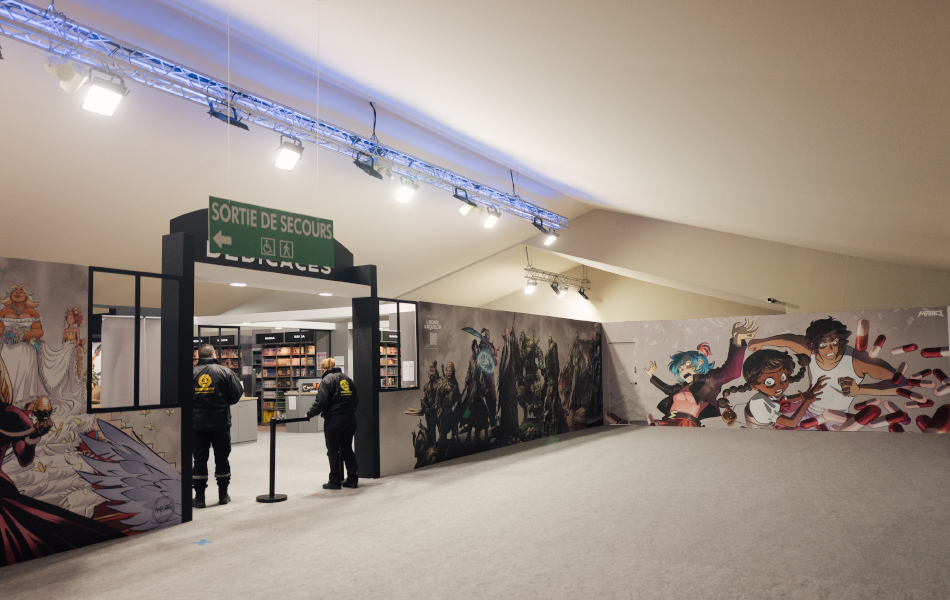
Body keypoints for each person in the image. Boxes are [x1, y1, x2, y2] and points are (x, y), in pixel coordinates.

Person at [718, 349, 828, 429]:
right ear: (754, 386)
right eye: (769, 382)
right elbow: (792, 422)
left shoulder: (768, 395)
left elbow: (787, 399)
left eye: (783, 377)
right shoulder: (759, 403)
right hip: (762, 439)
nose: (780, 385)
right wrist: (806, 401)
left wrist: (807, 394)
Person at [193, 343, 243, 508]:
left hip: (197, 425)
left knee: (199, 460)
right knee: (222, 458)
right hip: (221, 423)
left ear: (198, 356)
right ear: (214, 354)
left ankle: (199, 498)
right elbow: (236, 394)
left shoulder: (190, 374)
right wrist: (223, 402)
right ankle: (223, 495)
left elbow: (183, 397)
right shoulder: (226, 372)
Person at [306, 357, 359, 490]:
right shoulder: (348, 379)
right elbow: (356, 399)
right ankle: (352, 479)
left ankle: (334, 481)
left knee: (333, 450)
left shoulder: (326, 380)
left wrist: (310, 413)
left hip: (334, 419)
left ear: (324, 369)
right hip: (350, 418)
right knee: (347, 448)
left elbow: (321, 401)